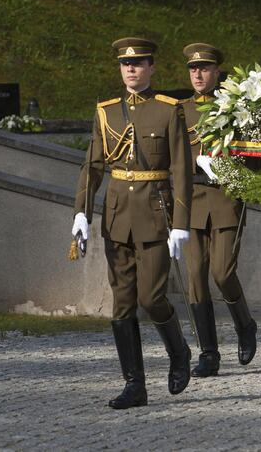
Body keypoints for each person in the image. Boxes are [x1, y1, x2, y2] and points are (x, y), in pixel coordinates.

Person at [71, 37, 193, 408]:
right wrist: (81, 211)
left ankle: (179, 351)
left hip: (156, 213)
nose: (131, 69)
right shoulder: (106, 111)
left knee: (151, 298)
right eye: (125, 64)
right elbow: (93, 164)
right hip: (117, 214)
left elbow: (181, 170)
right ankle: (134, 385)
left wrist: (181, 223)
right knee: (122, 304)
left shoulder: (168, 109)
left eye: (138, 63)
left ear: (152, 68)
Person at [179, 43, 257, 377]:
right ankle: (208, 353)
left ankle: (245, 324)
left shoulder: (236, 108)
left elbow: (254, 153)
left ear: (217, 72)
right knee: (196, 278)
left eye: (205, 68)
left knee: (222, 273)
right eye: (193, 69)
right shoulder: (179, 110)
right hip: (193, 200)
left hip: (226, 196)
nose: (198, 74)